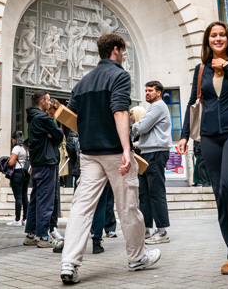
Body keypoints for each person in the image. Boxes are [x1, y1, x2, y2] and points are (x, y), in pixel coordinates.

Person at [61, 33, 161, 285]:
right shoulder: (119, 75)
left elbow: (69, 116)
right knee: (128, 206)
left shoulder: (83, 81)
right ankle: (137, 258)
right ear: (116, 50)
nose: (125, 56)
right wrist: (127, 149)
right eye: (124, 51)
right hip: (115, 153)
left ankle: (69, 262)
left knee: (81, 208)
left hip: (89, 153)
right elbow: (119, 111)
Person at [179, 21, 228, 278]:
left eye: (222, 34)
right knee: (220, 194)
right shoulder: (200, 68)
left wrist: (226, 66)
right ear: (208, 40)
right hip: (209, 137)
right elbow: (192, 102)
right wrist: (184, 136)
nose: (218, 38)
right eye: (213, 35)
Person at [23, 90, 65, 248]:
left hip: (38, 163)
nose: (50, 103)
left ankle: (31, 234)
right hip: (47, 162)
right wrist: (53, 133)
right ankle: (43, 236)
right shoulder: (43, 118)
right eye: (48, 100)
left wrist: (52, 134)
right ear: (41, 102)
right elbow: (60, 136)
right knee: (45, 201)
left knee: (35, 198)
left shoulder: (33, 117)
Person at [132, 81, 172, 244]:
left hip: (155, 152)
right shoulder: (153, 107)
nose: (147, 93)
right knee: (144, 193)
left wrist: (134, 125)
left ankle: (162, 231)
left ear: (159, 92)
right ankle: (147, 229)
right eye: (146, 90)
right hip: (147, 153)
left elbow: (141, 128)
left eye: (150, 90)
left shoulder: (158, 106)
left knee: (155, 192)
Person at [46, 98, 65, 241]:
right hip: (47, 161)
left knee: (55, 197)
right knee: (49, 197)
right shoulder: (44, 120)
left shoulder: (55, 122)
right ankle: (49, 228)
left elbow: (59, 138)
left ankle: (53, 227)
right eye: (52, 112)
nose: (53, 114)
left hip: (54, 160)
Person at [7, 131, 30, 226]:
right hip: (25, 173)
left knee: (18, 197)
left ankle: (17, 219)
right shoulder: (25, 149)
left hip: (17, 173)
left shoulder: (16, 148)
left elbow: (11, 162)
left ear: (14, 139)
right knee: (24, 196)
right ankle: (25, 218)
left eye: (12, 139)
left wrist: (7, 162)